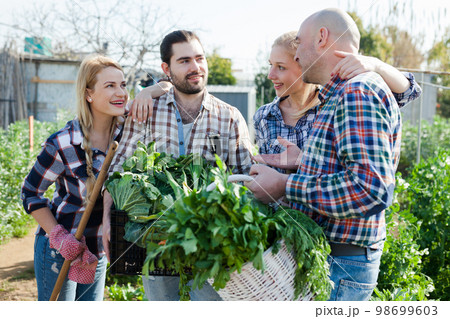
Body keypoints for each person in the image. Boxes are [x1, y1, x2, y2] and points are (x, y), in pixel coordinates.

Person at [246, 8, 404, 301]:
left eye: (300, 43)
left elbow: (370, 189)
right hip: (336, 259)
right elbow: (350, 165)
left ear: (322, 38)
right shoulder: (342, 92)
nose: (296, 55)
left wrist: (284, 185)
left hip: (341, 263)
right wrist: (305, 160)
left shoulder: (357, 92)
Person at [102, 30, 253, 301]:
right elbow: (117, 171)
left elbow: (245, 181)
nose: (195, 67)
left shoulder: (229, 118)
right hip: (157, 239)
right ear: (166, 69)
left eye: (200, 58)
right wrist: (105, 218)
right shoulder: (146, 111)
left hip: (209, 246)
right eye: (184, 61)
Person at [21, 54, 154, 301]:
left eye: (123, 85)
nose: (121, 93)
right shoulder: (63, 143)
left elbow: (168, 88)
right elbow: (30, 193)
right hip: (60, 249)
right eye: (110, 86)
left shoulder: (127, 134)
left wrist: (150, 91)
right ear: (88, 94)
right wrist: (59, 237)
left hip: (98, 250)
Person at [252, 31, 421, 172]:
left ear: (303, 63)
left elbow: (408, 91)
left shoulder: (335, 106)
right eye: (270, 65)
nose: (270, 75)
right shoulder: (264, 116)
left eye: (281, 67)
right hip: (279, 212)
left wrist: (376, 65)